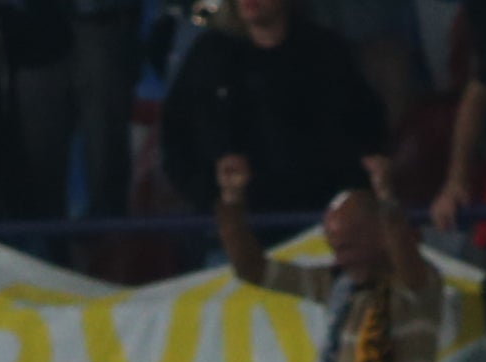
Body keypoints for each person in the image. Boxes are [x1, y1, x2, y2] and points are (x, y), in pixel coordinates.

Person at [212, 160, 438, 362]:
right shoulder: (335, 285)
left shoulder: (420, 285)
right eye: (334, 248)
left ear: (379, 235)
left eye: (348, 246)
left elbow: (407, 259)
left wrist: (386, 200)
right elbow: (253, 270)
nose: (339, 258)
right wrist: (232, 202)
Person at [158, 0, 382, 217]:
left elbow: (365, 129)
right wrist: (212, 196)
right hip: (234, 225)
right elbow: (175, 135)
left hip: (320, 222)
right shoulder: (211, 56)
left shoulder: (324, 52)